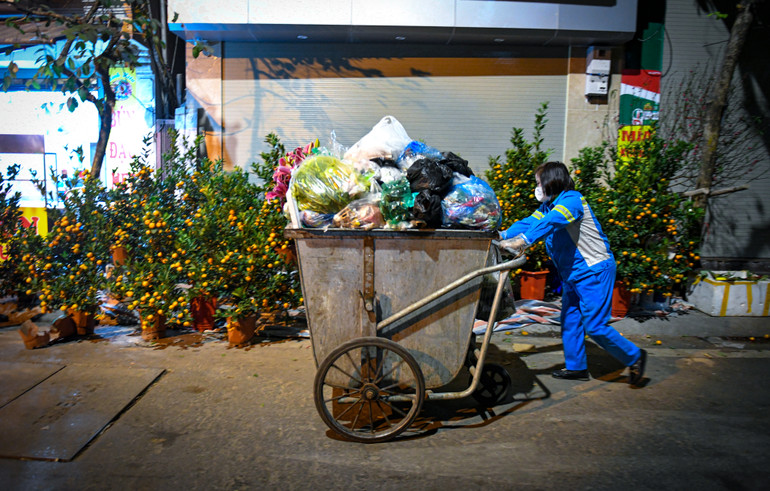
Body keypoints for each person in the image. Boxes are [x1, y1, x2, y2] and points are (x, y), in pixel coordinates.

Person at [498, 161, 646, 385]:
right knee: (570, 320)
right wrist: (501, 234)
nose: (537, 188)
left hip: (592, 271)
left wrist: (523, 241)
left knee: (595, 326)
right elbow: (530, 222)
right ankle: (576, 367)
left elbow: (552, 222)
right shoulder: (549, 206)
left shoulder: (572, 201)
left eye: (539, 183)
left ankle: (635, 356)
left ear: (551, 181)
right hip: (573, 273)